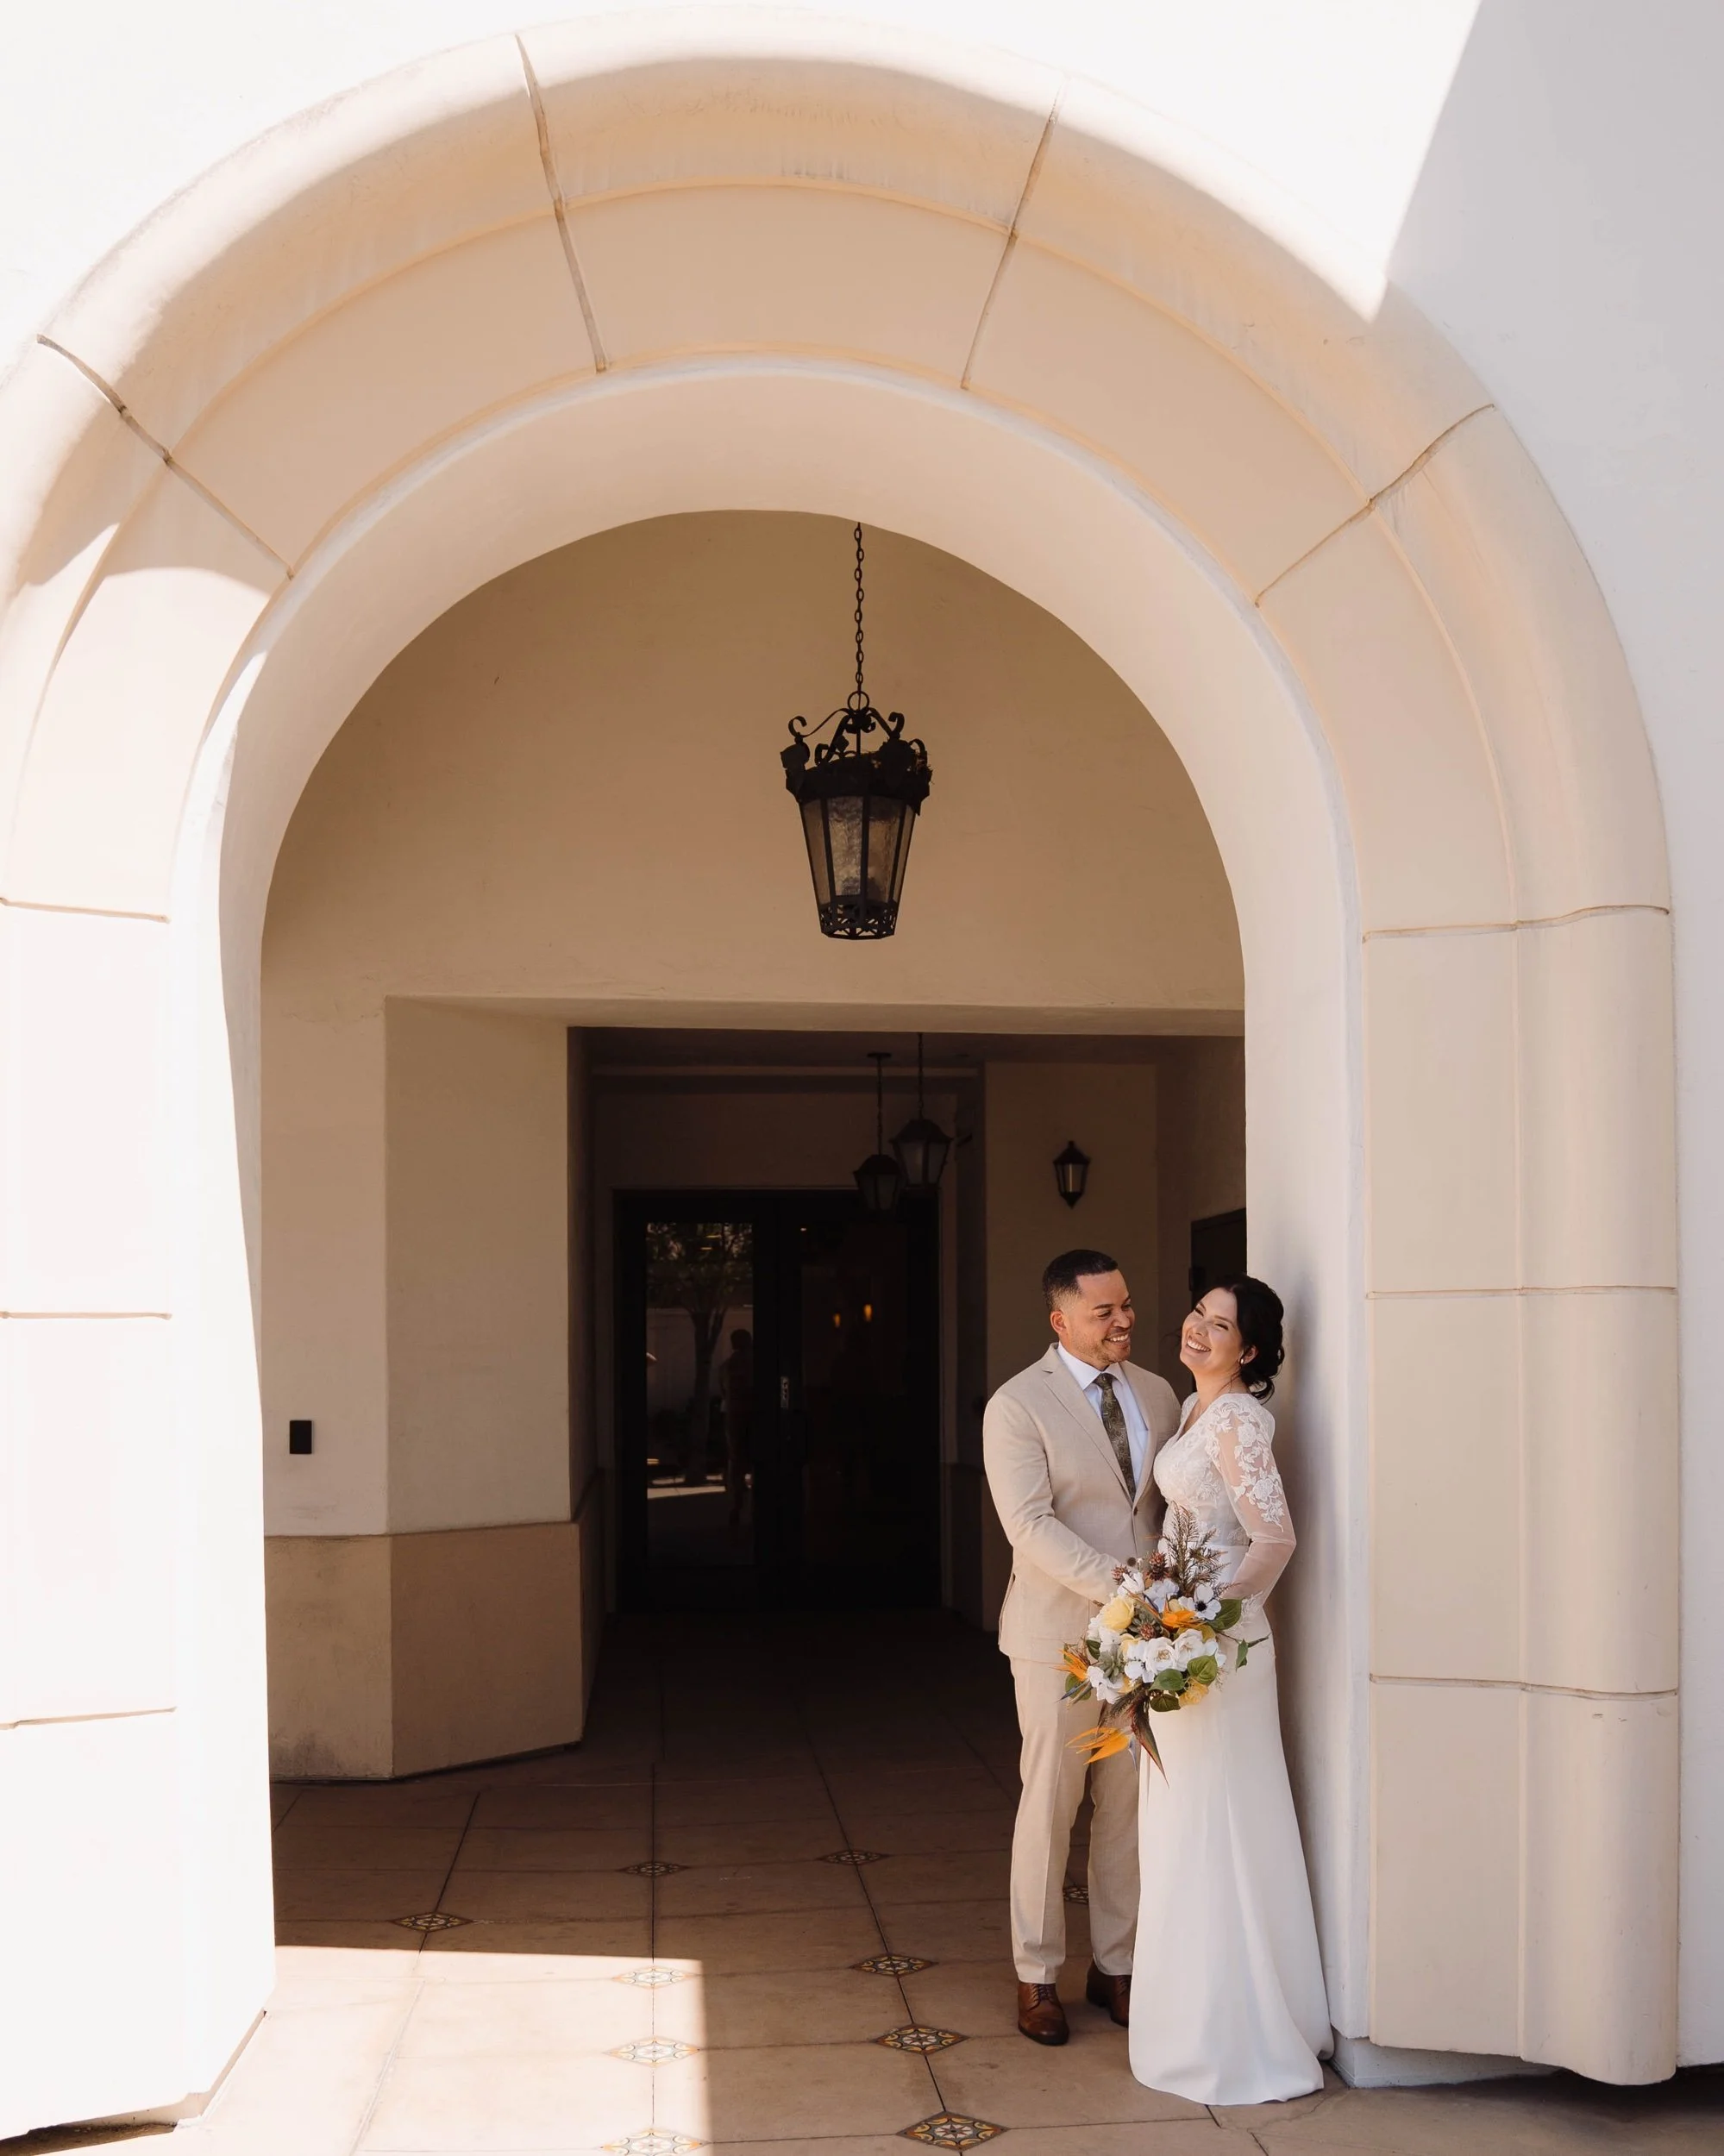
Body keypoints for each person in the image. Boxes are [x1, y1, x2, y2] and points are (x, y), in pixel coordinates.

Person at [1128, 1277, 1331, 2104]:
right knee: (1184, 1819)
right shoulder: (1192, 1406)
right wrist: (1153, 1604)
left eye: (1221, 1326)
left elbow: (1273, 1537)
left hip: (1217, 1649)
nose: (1198, 1330)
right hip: (1180, 1634)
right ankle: (1191, 2012)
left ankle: (1232, 2030)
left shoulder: (1239, 1418)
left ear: (1247, 1350)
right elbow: (1187, 1526)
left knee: (1212, 1818)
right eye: (1198, 1314)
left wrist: (1199, 1621)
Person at [982, 1250, 1181, 2046]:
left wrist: (1173, 1598)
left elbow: (1168, 1509)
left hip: (1148, 1644)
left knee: (1128, 1806)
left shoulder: (1162, 1394)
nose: (1123, 1321)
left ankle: (1116, 1965)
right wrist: (1124, 1586)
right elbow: (1027, 1525)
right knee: (1051, 1805)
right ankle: (1036, 1976)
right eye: (1104, 1312)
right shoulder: (1015, 1406)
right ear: (1060, 1320)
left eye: (1125, 1305)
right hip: (1056, 1636)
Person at [718, 1328, 754, 1539]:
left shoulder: (725, 1367)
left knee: (736, 1463)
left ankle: (737, 1507)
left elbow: (724, 1392)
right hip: (756, 1417)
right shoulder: (759, 1364)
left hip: (734, 1417)